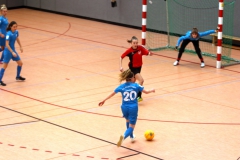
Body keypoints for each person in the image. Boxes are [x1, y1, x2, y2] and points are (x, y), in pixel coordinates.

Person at [98, 69, 155, 147]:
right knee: (132, 126)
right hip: (133, 108)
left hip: (124, 107)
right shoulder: (136, 85)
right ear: (132, 78)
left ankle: (131, 137)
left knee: (127, 120)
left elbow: (112, 94)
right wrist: (152, 90)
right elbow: (146, 92)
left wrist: (103, 100)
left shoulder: (121, 86)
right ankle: (123, 137)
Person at [119, 36, 153, 102]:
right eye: (134, 43)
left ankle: (123, 90)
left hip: (139, 67)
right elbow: (121, 57)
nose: (135, 44)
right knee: (141, 80)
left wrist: (149, 53)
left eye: (136, 43)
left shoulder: (140, 48)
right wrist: (120, 66)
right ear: (131, 43)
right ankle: (139, 96)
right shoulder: (129, 51)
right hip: (133, 68)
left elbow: (146, 52)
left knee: (132, 82)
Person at [0, 21, 25, 86]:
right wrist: (12, 52)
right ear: (11, 27)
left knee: (20, 63)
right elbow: (7, 44)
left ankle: (18, 76)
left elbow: (17, 38)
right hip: (8, 51)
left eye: (16, 26)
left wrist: (21, 46)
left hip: (13, 51)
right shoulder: (8, 34)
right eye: (14, 27)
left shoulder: (16, 32)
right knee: (5, 66)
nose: (15, 28)